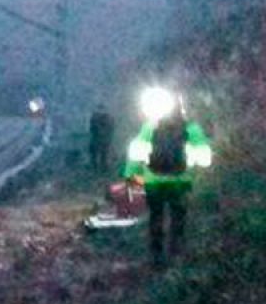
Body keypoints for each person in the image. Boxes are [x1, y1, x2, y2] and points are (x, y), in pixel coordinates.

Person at [122, 88, 213, 268]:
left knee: (156, 217)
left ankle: (156, 256)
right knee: (178, 217)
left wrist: (131, 176)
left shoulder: (150, 127)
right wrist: (195, 169)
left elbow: (136, 154)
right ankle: (176, 254)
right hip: (181, 181)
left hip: (153, 181)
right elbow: (205, 159)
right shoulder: (191, 128)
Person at [88, 104, 114, 172]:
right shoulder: (96, 118)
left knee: (103, 155)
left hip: (102, 140)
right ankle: (98, 168)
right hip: (99, 140)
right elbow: (93, 128)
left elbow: (110, 128)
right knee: (99, 155)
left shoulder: (106, 118)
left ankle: (101, 168)